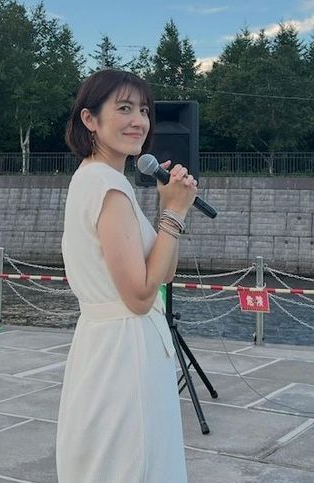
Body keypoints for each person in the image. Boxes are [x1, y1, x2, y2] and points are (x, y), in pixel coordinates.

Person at [57, 69, 197, 483]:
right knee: (135, 462)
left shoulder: (97, 179)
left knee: (115, 460)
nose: (139, 121)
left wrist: (170, 209)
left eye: (144, 110)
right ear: (90, 119)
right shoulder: (109, 187)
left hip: (107, 344)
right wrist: (174, 213)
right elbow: (138, 297)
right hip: (125, 350)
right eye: (123, 109)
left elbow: (163, 273)